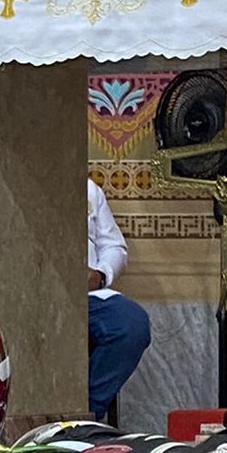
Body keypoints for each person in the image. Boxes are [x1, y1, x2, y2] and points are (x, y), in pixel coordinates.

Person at [88, 177, 150, 418]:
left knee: (131, 324)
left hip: (89, 296)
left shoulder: (89, 189)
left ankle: (86, 413)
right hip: (33, 293)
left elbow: (114, 247)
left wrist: (101, 274)